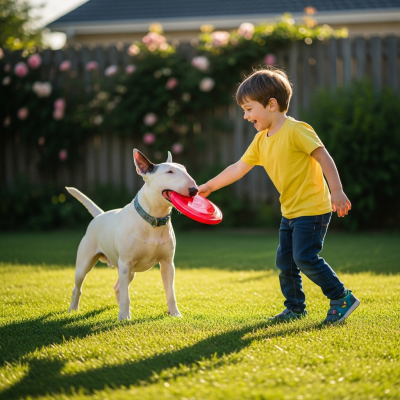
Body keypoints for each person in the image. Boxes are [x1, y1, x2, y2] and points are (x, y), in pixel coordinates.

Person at [198, 67, 360, 324]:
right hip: (290, 211)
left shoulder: (297, 130)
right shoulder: (262, 140)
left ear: (271, 104)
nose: (245, 115)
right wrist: (209, 186)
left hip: (313, 209)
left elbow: (323, 157)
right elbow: (239, 168)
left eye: (249, 109)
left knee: (304, 257)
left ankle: (341, 297)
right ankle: (295, 308)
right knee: (285, 261)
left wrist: (337, 191)